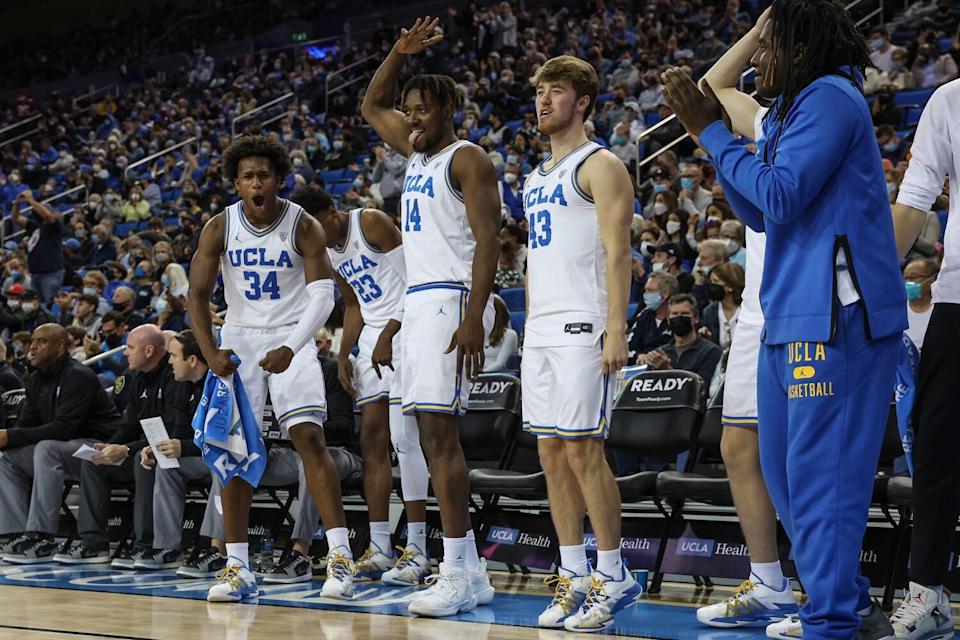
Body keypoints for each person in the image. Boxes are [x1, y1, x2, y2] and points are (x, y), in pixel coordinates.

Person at [663, 1, 908, 637]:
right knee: (787, 480)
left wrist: (711, 133)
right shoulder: (796, 109)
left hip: (839, 319)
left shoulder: (830, 97)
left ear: (801, 48)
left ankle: (830, 622)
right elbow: (764, 212)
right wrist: (708, 137)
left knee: (821, 482)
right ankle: (848, 604)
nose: (757, 62)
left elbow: (780, 192)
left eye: (768, 48)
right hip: (789, 313)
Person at [362, 16, 499, 618]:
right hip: (418, 304)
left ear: (447, 108)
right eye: (409, 109)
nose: (411, 117)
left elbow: (490, 239)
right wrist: (399, 50)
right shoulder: (415, 154)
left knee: (441, 439)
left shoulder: (467, 159)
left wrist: (472, 314)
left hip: (450, 299)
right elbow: (371, 103)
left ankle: (457, 569)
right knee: (422, 434)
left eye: (421, 108)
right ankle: (468, 570)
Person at [188, 135, 350, 603]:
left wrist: (292, 345)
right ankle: (237, 565)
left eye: (264, 174)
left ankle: (338, 557)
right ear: (236, 183)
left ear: (280, 179)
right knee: (233, 453)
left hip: (291, 338)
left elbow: (323, 295)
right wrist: (211, 349)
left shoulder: (303, 225)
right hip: (239, 340)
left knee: (309, 439)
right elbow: (197, 296)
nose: (256, 183)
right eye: (247, 176)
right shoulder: (219, 226)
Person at [518, 55, 641, 633]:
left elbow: (620, 253)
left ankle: (614, 575)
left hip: (582, 322)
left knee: (581, 448)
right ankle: (572, 575)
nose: (544, 101)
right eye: (540, 92)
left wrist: (616, 326)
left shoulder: (602, 164)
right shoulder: (534, 176)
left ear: (583, 102)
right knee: (549, 452)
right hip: (540, 325)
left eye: (557, 91)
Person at [295, 187, 432, 587]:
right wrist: (343, 354)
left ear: (332, 212)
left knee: (405, 438)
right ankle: (380, 546)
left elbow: (417, 281)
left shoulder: (370, 222)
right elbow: (353, 304)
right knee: (372, 439)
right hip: (372, 339)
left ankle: (418, 550)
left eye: (317, 225)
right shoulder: (328, 252)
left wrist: (391, 330)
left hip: (408, 328)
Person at [889, 78, 960, 639]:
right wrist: (871, 278)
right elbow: (914, 199)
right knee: (935, 447)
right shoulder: (950, 99)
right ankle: (927, 594)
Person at [53, 324, 177, 566]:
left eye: (130, 348)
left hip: (167, 450)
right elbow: (128, 425)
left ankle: (146, 545)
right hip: (139, 447)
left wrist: (127, 449)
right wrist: (110, 447)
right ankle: (93, 544)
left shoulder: (173, 377)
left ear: (150, 350)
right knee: (94, 462)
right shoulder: (135, 378)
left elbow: (172, 430)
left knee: (146, 462)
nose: (125, 353)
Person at [0, 324, 120, 564]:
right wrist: (9, 439)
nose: (32, 347)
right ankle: (13, 533)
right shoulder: (35, 380)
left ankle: (42, 537)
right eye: (32, 341)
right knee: (6, 457)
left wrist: (10, 436)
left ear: (60, 346)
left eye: (42, 341)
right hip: (63, 450)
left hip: (98, 449)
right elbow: (26, 425)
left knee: (46, 448)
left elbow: (65, 428)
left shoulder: (78, 375)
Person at [133, 330, 218, 571]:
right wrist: (157, 449)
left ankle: (211, 547)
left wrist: (184, 446)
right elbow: (179, 432)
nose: (168, 361)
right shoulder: (183, 386)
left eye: (172, 355)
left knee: (222, 469)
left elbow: (221, 438)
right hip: (199, 455)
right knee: (167, 466)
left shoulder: (218, 385)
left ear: (192, 360)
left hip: (223, 455)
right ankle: (168, 547)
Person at [637, 294, 723, 388]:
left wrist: (667, 369)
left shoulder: (711, 352)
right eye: (675, 314)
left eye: (685, 313)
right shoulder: (661, 353)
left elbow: (700, 389)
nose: (679, 317)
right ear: (668, 320)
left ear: (696, 318)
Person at [9, 190, 64, 304]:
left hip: (50, 273)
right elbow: (15, 218)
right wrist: (17, 203)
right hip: (35, 273)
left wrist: (31, 200)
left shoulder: (55, 225)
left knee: (49, 304)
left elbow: (48, 216)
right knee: (36, 306)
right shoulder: (35, 226)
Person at [627, 271, 678, 361]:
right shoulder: (644, 314)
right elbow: (631, 345)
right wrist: (639, 356)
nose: (645, 294)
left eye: (650, 291)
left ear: (665, 294)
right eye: (645, 290)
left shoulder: (678, 317)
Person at [701, 262, 745, 349]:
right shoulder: (709, 312)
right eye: (710, 281)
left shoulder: (747, 311)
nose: (711, 285)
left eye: (716, 281)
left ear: (731, 286)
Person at [902, 259, 938, 351]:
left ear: (931, 280)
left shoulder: (940, 311)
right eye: (905, 278)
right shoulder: (898, 310)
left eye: (913, 277)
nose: (907, 282)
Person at [483, 295, 519, 372]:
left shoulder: (510, 335)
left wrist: (480, 374)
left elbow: (500, 364)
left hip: (495, 377)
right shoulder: (480, 334)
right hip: (476, 376)